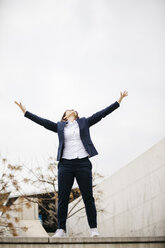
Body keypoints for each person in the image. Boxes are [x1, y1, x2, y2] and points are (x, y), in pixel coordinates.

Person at [14, 90, 128, 237]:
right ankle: (61, 229)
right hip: (65, 165)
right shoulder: (60, 127)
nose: (72, 109)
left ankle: (93, 228)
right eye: (68, 109)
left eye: (73, 109)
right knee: (63, 196)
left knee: (88, 196)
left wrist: (118, 101)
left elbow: (101, 114)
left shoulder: (84, 122)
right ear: (64, 116)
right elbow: (43, 122)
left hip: (83, 163)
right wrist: (25, 112)